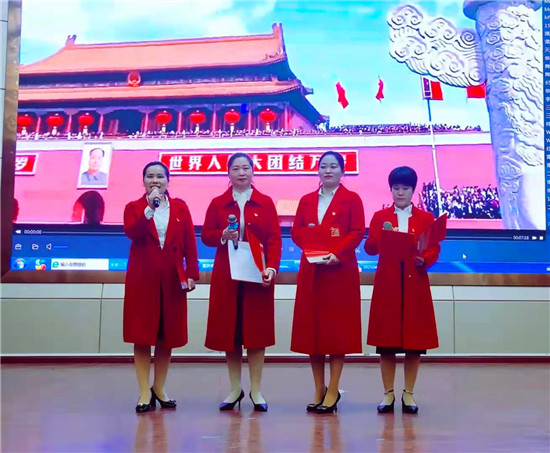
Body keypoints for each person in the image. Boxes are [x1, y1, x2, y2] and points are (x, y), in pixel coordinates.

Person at [202, 152, 282, 412]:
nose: (241, 173)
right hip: (227, 275)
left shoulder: (265, 202)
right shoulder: (217, 203)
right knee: (231, 333)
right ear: (228, 173)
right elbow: (206, 236)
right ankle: (235, 388)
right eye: (236, 168)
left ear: (253, 171)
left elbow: (274, 239)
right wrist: (222, 235)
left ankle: (256, 390)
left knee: (256, 333)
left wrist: (271, 267)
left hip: (257, 273)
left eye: (246, 168)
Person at [290, 151, 365, 414]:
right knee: (313, 332)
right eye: (323, 166)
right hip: (312, 270)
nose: (328, 170)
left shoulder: (352, 199)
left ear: (342, 171)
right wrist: (311, 246)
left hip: (339, 271)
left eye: (333, 166)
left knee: (336, 332)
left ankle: (333, 389)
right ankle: (318, 388)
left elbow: (357, 231)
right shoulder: (307, 200)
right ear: (318, 170)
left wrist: (337, 252)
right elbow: (296, 231)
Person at [123, 161, 199, 413]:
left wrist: (192, 274)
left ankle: (159, 387)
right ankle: (144, 391)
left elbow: (189, 242)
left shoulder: (181, 208)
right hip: (142, 280)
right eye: (150, 176)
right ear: (143, 181)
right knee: (142, 335)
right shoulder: (134, 207)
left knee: (167, 335)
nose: (155, 180)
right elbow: (133, 233)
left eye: (160, 176)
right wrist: (148, 209)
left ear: (168, 180)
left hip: (172, 279)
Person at [364, 166, 440, 414]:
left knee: (414, 344)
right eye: (396, 188)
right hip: (388, 286)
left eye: (405, 188)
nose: (400, 193)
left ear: (412, 190)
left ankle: (408, 393)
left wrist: (423, 259)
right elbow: (370, 249)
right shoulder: (380, 216)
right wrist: (381, 235)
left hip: (415, 284)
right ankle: (388, 394)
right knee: (386, 343)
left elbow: (433, 249)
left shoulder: (425, 218)